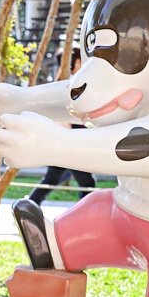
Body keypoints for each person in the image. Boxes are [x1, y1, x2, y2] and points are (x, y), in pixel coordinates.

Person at [27, 48, 95, 204]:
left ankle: (29, 205)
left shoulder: (63, 83)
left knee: (51, 180)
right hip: (70, 143)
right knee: (87, 184)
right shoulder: (73, 85)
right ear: (77, 62)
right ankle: (84, 215)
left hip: (65, 141)